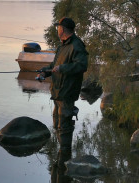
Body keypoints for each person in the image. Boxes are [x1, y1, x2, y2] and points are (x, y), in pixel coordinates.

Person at [37, 17, 88, 152]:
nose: (57, 29)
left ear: (63, 29)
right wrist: (43, 73)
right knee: (57, 124)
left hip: (67, 92)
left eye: (58, 27)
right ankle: (60, 165)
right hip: (57, 92)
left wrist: (63, 68)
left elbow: (82, 66)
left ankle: (65, 158)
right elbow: (54, 66)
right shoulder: (62, 46)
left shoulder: (77, 45)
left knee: (64, 126)